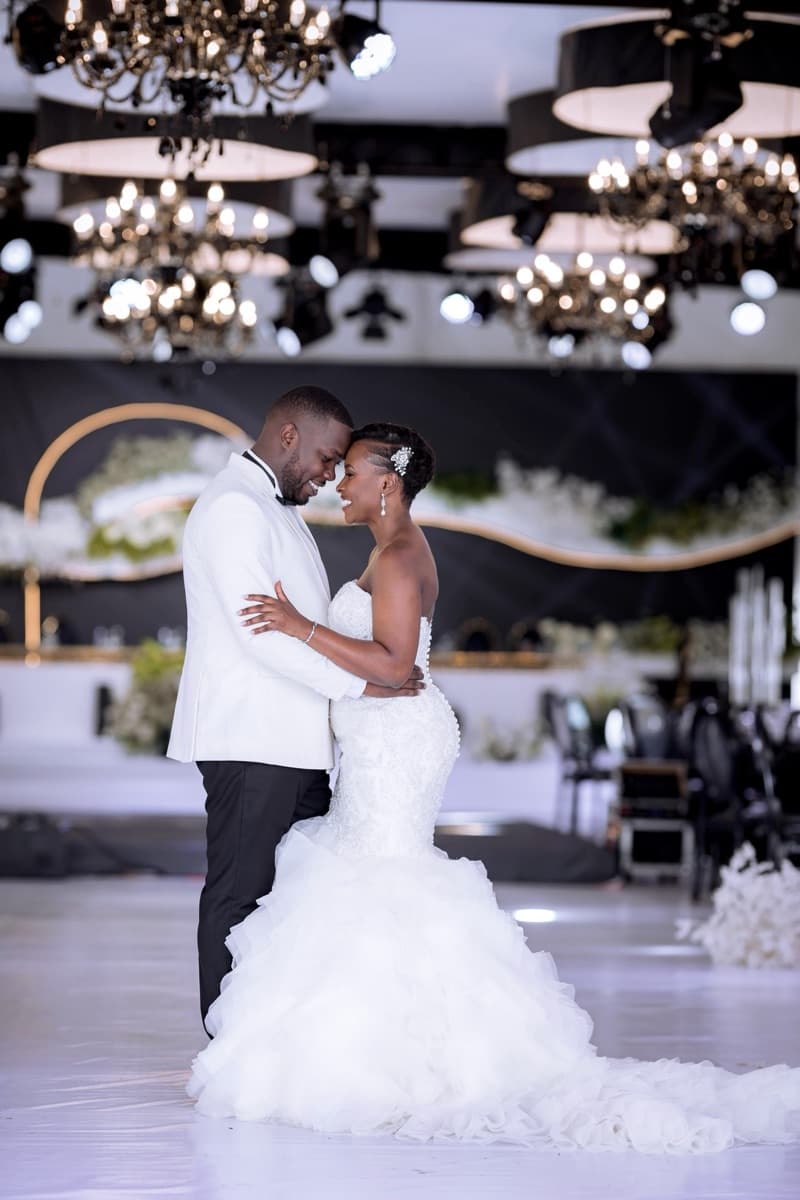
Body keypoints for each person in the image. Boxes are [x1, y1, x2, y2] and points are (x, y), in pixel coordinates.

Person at [187, 422, 800, 1153]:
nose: (339, 485)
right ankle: (384, 1048)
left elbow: (389, 666)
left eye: (350, 472)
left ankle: (397, 1061)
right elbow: (387, 667)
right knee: (369, 882)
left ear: (389, 482)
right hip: (383, 733)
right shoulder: (387, 551)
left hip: (396, 739)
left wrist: (295, 625)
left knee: (382, 878)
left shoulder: (403, 556)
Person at [167, 391, 424, 1030]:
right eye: (326, 458)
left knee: (291, 898)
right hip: (255, 741)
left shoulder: (270, 507)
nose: (330, 475)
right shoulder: (234, 508)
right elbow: (263, 635)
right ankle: (226, 1040)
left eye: (343, 465)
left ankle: (272, 1038)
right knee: (240, 893)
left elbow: (296, 626)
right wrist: (365, 689)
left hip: (293, 746)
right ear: (288, 436)